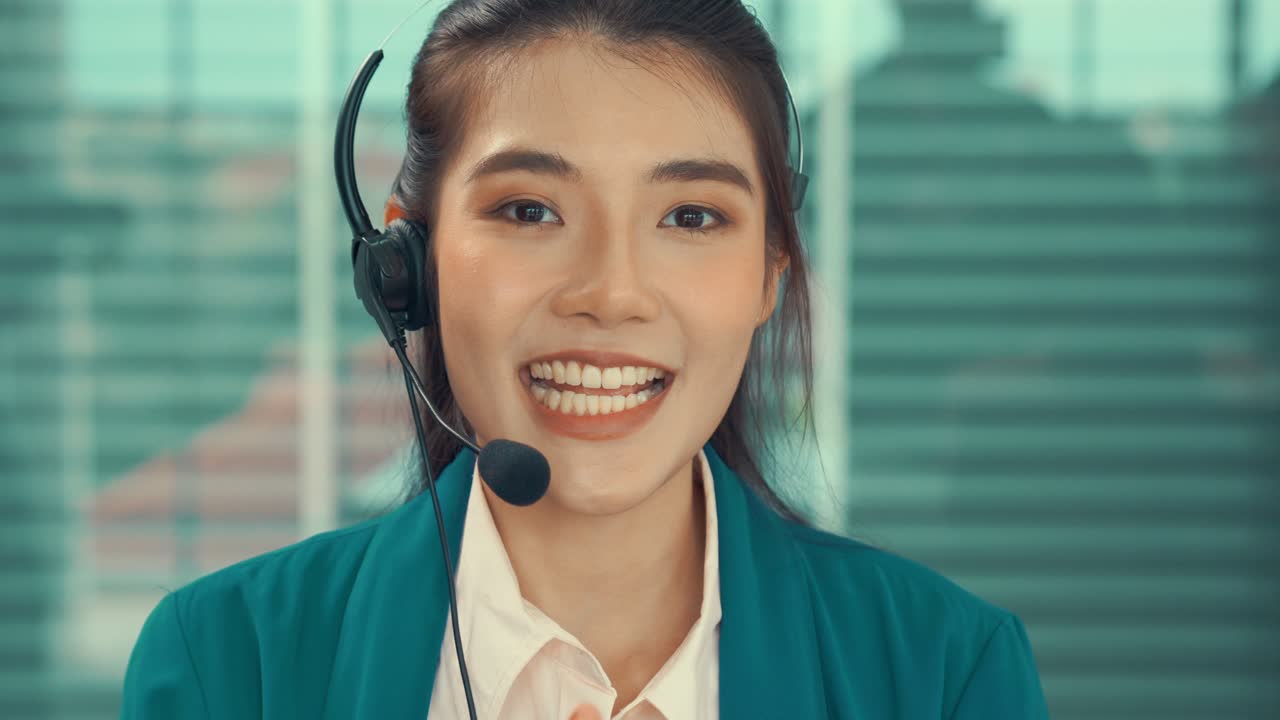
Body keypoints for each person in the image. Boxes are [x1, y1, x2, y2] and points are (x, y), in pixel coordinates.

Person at [120, 0, 1050, 717]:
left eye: (691, 217)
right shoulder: (224, 667)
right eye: (530, 210)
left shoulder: (944, 674)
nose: (611, 293)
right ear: (406, 265)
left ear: (769, 272)